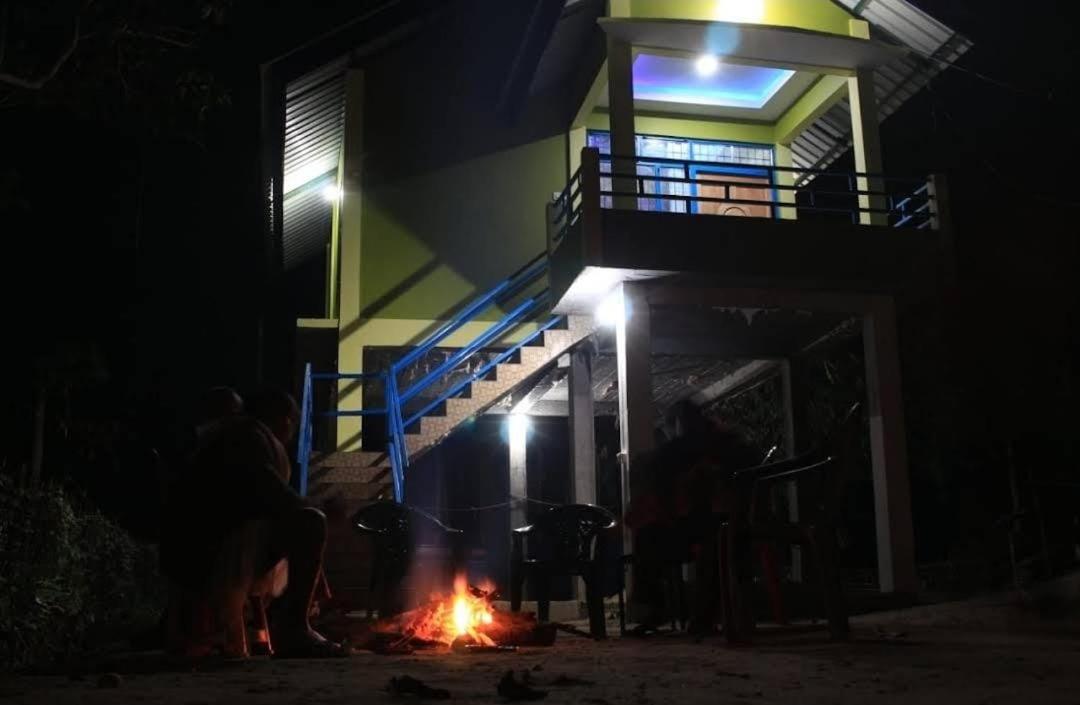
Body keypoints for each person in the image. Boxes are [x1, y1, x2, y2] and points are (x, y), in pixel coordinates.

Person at [160, 387, 342, 658]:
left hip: (201, 545)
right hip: (210, 549)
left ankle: (288, 622)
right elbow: (273, 494)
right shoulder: (248, 437)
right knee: (310, 522)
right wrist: (320, 507)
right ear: (284, 419)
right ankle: (293, 629)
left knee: (302, 522)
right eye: (292, 423)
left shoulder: (234, 437)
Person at [625, 401, 760, 635]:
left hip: (726, 519)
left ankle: (698, 616)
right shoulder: (679, 451)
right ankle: (654, 609)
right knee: (648, 536)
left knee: (710, 540)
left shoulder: (721, 443)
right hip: (694, 521)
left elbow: (741, 472)